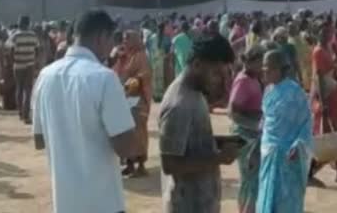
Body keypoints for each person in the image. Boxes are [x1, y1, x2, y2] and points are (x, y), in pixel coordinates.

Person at [32, 9, 137, 213]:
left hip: (65, 202)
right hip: (102, 203)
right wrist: (127, 113)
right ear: (101, 38)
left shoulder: (45, 76)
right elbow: (127, 148)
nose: (111, 49)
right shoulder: (104, 78)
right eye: (111, 41)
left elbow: (39, 140)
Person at [158, 35, 239, 213]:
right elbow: (170, 164)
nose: (220, 81)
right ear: (197, 65)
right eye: (216, 73)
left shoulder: (196, 93)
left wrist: (217, 143)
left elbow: (188, 142)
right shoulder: (179, 104)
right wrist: (219, 158)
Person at [256, 50, 312, 213]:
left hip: (288, 158)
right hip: (268, 154)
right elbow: (266, 119)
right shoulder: (268, 91)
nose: (264, 73)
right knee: (267, 198)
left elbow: (306, 123)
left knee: (286, 202)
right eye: (263, 69)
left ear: (280, 70)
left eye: (268, 69)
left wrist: (299, 144)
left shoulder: (295, 93)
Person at [308, 22, 337, 187]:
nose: (327, 35)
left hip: (333, 95)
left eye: (328, 32)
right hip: (325, 97)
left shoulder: (329, 48)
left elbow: (332, 71)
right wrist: (322, 102)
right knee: (325, 136)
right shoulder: (318, 52)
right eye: (323, 32)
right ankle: (310, 172)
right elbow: (319, 77)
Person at [228, 46, 264, 213]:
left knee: (254, 178)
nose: (262, 67)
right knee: (248, 178)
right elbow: (233, 111)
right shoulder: (243, 80)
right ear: (251, 62)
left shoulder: (254, 78)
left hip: (254, 134)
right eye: (260, 63)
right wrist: (255, 119)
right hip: (244, 136)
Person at [113, 30, 152, 178]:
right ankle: (129, 164)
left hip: (138, 99)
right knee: (124, 130)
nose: (125, 42)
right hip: (124, 98)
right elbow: (116, 72)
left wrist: (136, 81)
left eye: (128, 39)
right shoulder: (124, 56)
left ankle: (141, 165)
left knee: (138, 131)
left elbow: (145, 75)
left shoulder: (141, 56)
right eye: (124, 39)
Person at [8, 16, 39, 125]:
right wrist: (34, 61)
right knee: (28, 90)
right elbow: (37, 49)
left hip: (18, 65)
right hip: (30, 64)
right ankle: (26, 115)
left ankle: (20, 112)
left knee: (19, 89)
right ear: (28, 23)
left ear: (20, 23)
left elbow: (10, 51)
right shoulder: (33, 35)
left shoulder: (15, 35)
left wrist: (13, 62)